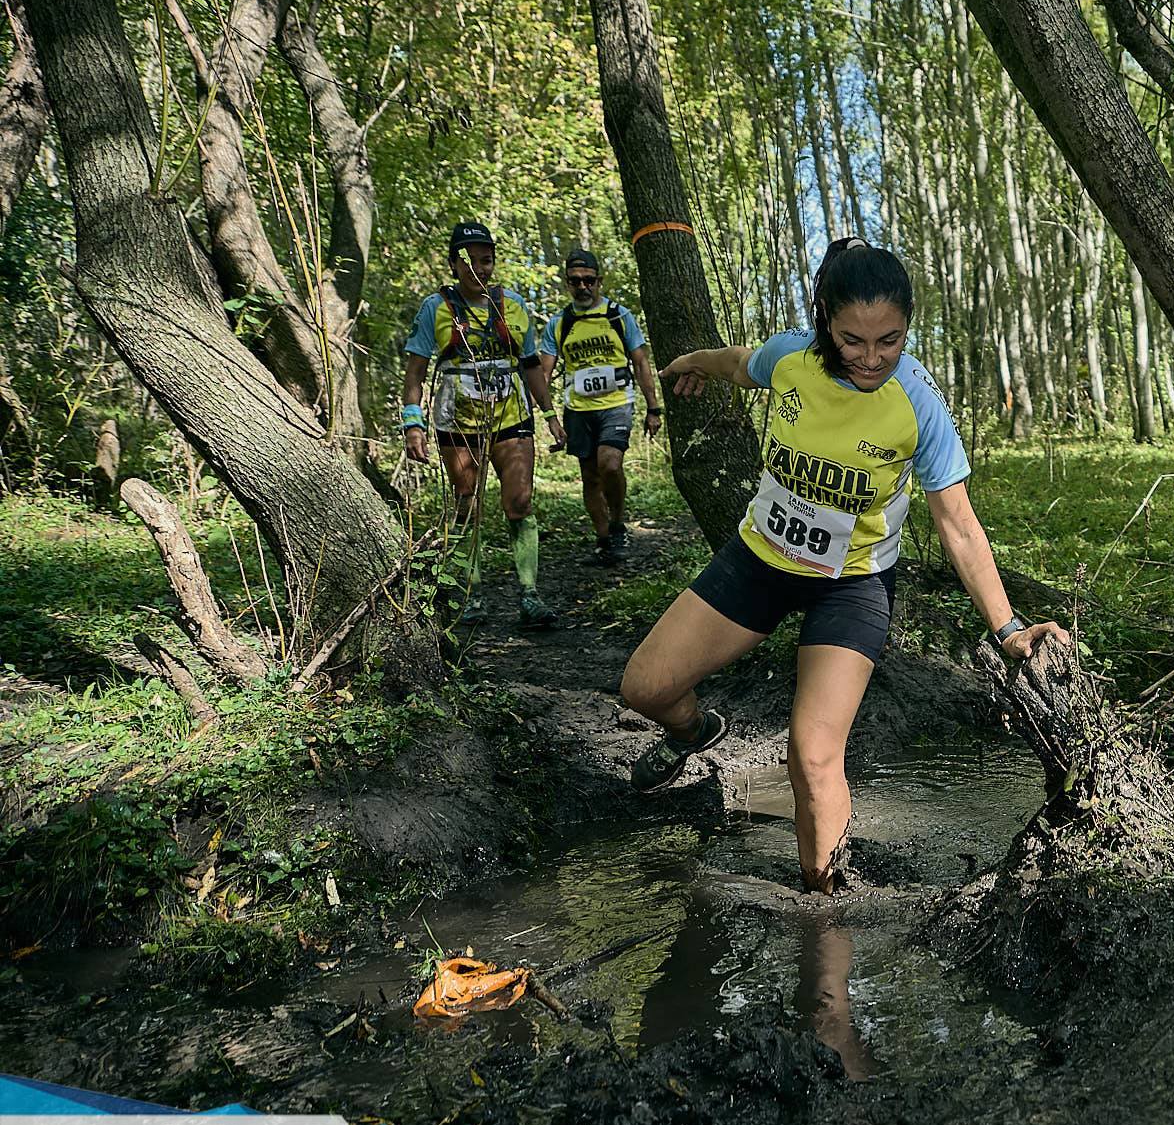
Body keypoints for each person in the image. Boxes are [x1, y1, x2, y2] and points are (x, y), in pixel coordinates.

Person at [620, 238, 1068, 894]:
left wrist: (1008, 630)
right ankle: (694, 732)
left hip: (851, 585)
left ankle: (824, 906)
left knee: (813, 752)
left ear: (908, 326)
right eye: (853, 339)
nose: (870, 357)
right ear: (826, 320)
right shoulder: (793, 358)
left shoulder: (917, 402)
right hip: (760, 561)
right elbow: (741, 361)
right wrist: (695, 363)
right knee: (643, 687)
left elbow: (959, 523)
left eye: (889, 339)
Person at [401, 221, 562, 628]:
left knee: (520, 501)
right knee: (466, 501)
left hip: (511, 416)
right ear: (455, 264)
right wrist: (412, 424)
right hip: (457, 420)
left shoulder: (514, 306)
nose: (478, 268)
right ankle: (468, 593)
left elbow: (530, 366)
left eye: (486, 260)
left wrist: (549, 415)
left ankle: (529, 593)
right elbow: (416, 372)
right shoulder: (434, 307)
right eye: (469, 260)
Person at [537, 250, 663, 564]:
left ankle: (618, 522)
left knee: (610, 464)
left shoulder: (619, 316)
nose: (583, 287)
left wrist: (653, 408)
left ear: (599, 282)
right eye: (575, 281)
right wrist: (547, 415)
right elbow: (543, 373)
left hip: (617, 403)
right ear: (567, 284)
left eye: (589, 280)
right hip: (578, 409)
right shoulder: (559, 324)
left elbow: (641, 362)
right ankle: (604, 540)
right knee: (590, 476)